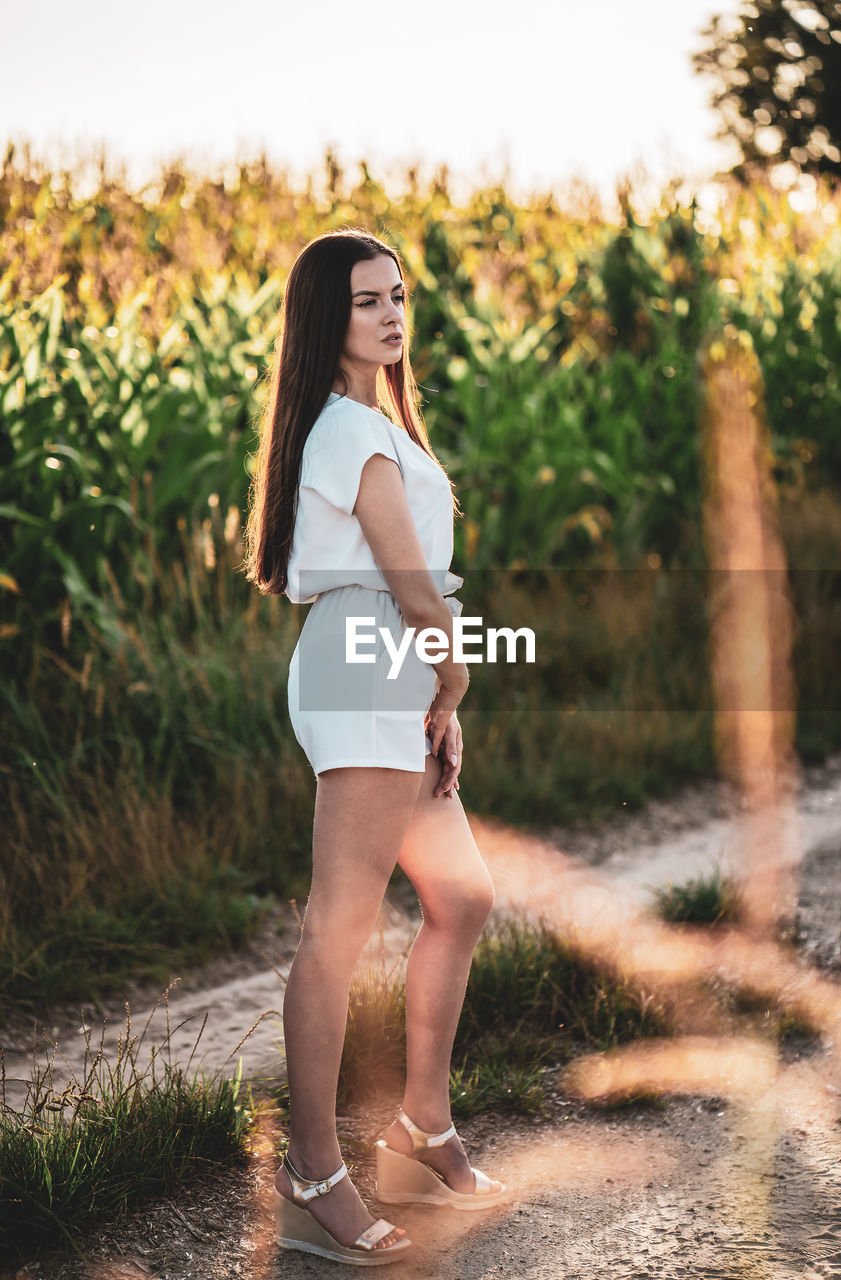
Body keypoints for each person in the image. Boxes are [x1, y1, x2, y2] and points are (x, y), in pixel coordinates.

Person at [243, 228, 504, 1265]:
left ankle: (419, 1126)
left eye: (398, 295)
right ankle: (311, 1175)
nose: (393, 314)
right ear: (327, 318)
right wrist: (454, 675)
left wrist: (436, 696)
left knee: (463, 896)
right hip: (368, 665)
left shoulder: (375, 423)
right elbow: (405, 577)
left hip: (392, 668)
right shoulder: (347, 429)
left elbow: (419, 588)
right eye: (366, 300)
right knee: (339, 926)